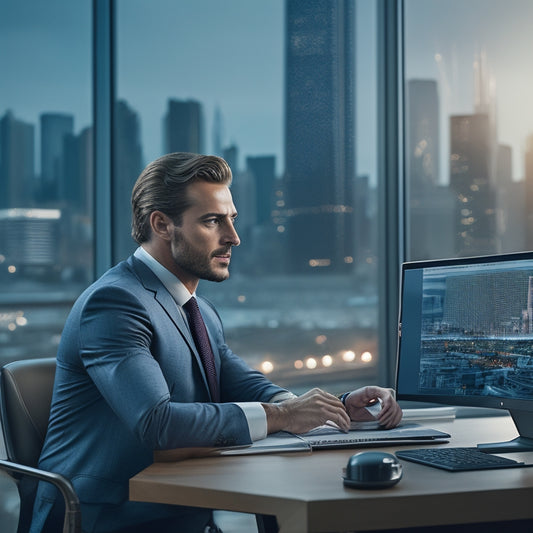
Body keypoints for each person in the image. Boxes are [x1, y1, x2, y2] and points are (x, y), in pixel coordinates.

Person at [30, 152, 402, 533]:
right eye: (212, 221)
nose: (233, 238)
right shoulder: (115, 302)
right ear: (162, 224)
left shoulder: (199, 310)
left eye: (232, 220)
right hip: (105, 519)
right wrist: (284, 418)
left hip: (179, 511)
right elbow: (158, 424)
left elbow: (239, 382)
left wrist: (323, 410)